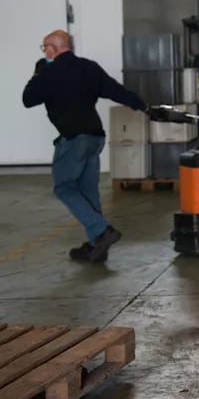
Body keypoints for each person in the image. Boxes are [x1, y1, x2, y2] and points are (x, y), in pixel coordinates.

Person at [23, 30, 151, 263]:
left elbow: (28, 99)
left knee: (64, 187)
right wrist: (143, 106)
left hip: (74, 138)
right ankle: (96, 245)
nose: (44, 53)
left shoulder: (49, 71)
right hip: (95, 136)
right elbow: (116, 91)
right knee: (88, 190)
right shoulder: (88, 67)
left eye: (45, 48)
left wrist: (39, 72)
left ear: (53, 48)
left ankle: (102, 231)